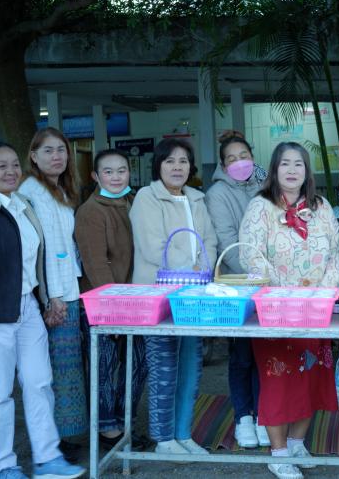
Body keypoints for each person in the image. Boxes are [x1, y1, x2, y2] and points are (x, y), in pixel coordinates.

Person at [0, 141, 84, 479]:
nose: (11, 171)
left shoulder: (21, 205)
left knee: (40, 383)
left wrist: (45, 300)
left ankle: (47, 459)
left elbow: (34, 262)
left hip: (27, 308)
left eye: (14, 164)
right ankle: (3, 467)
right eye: (1, 166)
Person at [239, 142, 339, 479]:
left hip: (315, 309)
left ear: (307, 170)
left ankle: (297, 444)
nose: (292, 170)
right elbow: (250, 254)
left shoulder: (321, 207)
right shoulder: (260, 206)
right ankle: (278, 453)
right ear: (274, 169)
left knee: (311, 376)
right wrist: (283, 294)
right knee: (278, 380)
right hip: (276, 310)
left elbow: (336, 252)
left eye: (299, 164)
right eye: (285, 163)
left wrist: (321, 294)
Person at [130, 138, 217, 457]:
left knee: (191, 366)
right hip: (159, 295)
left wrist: (203, 268)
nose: (177, 167)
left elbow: (210, 240)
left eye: (183, 161)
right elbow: (152, 246)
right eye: (170, 161)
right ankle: (164, 439)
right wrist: (192, 267)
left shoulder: (197, 198)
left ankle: (183, 433)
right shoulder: (146, 197)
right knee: (164, 367)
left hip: (194, 295)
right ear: (158, 165)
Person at [19, 128, 88, 454]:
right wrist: (53, 298)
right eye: (47, 150)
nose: (56, 156)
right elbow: (42, 250)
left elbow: (66, 247)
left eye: (61, 149)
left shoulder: (60, 189)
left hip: (67, 290)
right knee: (52, 371)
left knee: (67, 369)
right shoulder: (32, 191)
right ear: (33, 156)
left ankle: (60, 439)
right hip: (54, 295)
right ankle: (51, 443)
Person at [75, 149, 148, 451]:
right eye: (108, 171)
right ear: (95, 176)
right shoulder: (91, 211)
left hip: (134, 301)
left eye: (122, 170)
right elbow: (96, 265)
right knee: (103, 368)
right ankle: (107, 429)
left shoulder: (134, 202)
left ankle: (124, 420)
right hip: (102, 305)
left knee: (139, 362)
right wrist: (114, 310)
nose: (116, 177)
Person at [204, 134, 270, 448]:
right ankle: (244, 416)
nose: (239, 161)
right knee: (242, 355)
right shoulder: (217, 194)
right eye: (231, 158)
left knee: (265, 354)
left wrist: (270, 275)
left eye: (244, 155)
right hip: (238, 285)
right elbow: (226, 240)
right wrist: (256, 273)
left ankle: (263, 415)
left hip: (269, 285)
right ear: (222, 164)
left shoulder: (266, 184)